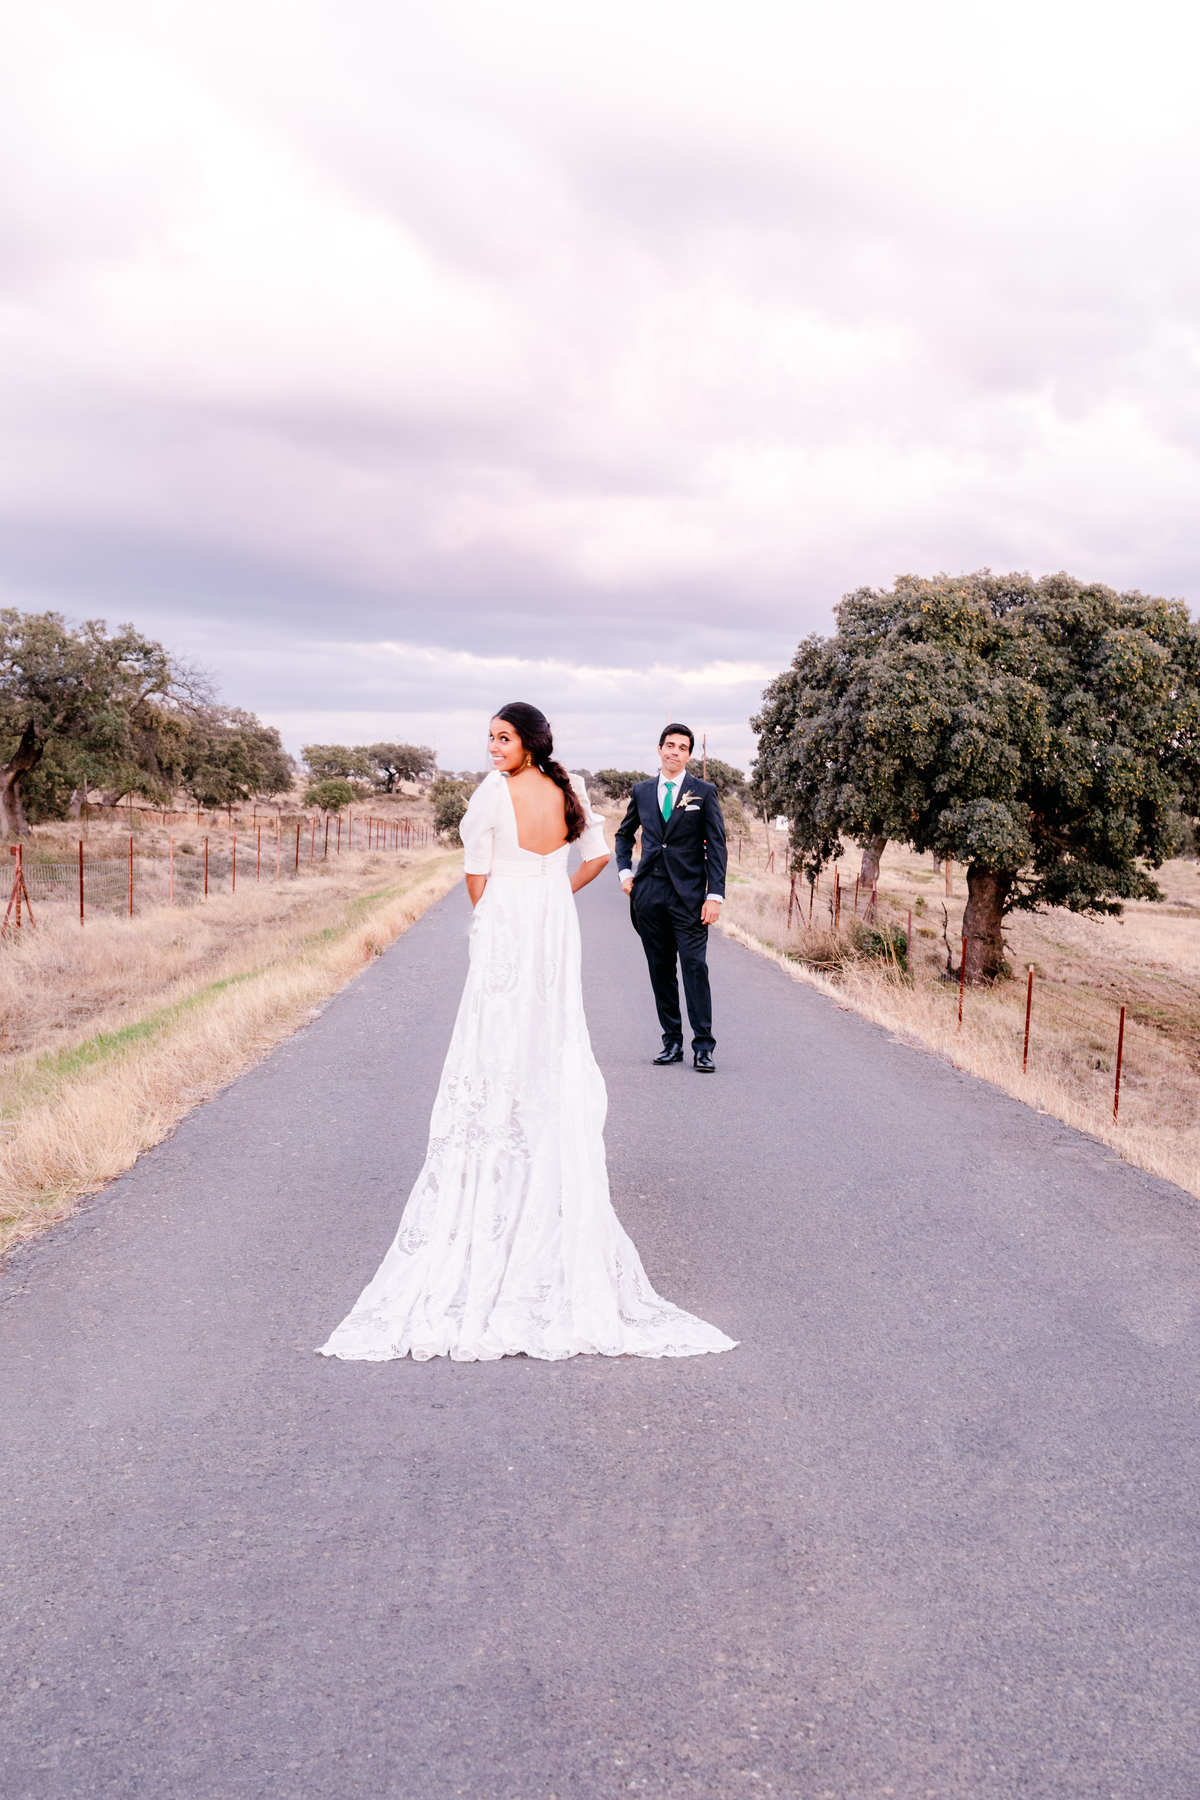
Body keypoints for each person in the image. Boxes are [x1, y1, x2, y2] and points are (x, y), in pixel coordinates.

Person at [318, 703, 736, 1364]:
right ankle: (536, 1136)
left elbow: (475, 875)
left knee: (497, 1033)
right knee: (551, 1029)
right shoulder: (567, 790)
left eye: (502, 738)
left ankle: (502, 1141)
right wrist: (556, 893)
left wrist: (496, 923)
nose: (492, 748)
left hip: (511, 917)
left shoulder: (494, 792)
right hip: (550, 915)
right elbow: (599, 857)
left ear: (529, 741)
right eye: (489, 738)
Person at [614, 724, 727, 1072]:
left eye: (682, 747)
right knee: (660, 969)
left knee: (695, 967)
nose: (675, 752)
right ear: (660, 749)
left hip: (690, 897)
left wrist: (715, 896)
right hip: (648, 894)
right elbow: (623, 835)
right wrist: (625, 873)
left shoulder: (703, 792)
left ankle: (704, 1047)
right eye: (670, 745)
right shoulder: (643, 791)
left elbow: (718, 848)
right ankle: (672, 1042)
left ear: (689, 755)